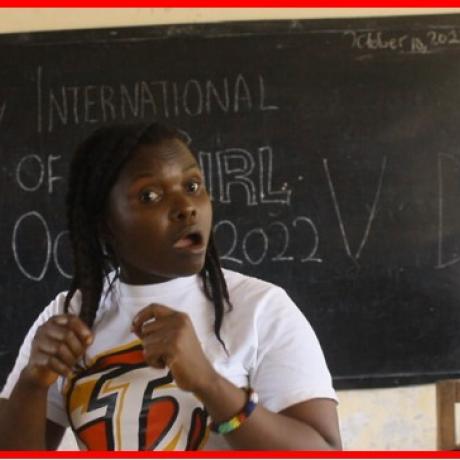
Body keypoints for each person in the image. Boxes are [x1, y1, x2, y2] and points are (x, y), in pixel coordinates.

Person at [0, 122, 341, 451]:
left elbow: (326, 450)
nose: (185, 208)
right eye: (149, 195)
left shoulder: (261, 308)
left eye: (192, 186)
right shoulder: (70, 315)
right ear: (104, 223)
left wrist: (210, 384)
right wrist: (32, 383)